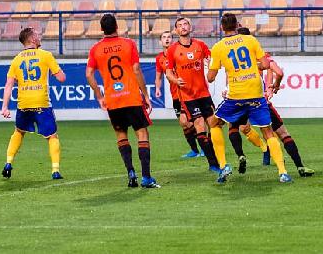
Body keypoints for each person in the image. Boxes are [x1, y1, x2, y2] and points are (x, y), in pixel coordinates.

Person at [205, 13, 293, 184]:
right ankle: (283, 172)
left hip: (236, 94)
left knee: (214, 123)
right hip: (255, 92)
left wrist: (212, 66)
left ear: (222, 28)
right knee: (268, 131)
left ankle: (223, 166)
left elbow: (210, 78)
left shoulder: (218, 47)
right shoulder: (250, 40)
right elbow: (266, 65)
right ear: (237, 25)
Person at [85, 13, 159, 188]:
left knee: (121, 135)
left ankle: (131, 172)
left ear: (101, 29)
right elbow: (136, 69)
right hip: (131, 97)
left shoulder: (95, 49)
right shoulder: (128, 44)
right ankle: (146, 177)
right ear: (117, 26)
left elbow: (88, 74)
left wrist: (100, 96)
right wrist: (145, 95)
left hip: (113, 99)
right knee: (142, 133)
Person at [228, 30, 314, 178]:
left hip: (239, 101)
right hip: (259, 101)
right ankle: (299, 166)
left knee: (233, 128)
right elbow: (279, 72)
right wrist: (275, 85)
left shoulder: (232, 57)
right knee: (280, 134)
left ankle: (241, 155)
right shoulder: (262, 56)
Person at [0, 27, 67, 180]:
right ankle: (55, 170)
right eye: (37, 34)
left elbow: (9, 85)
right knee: (52, 136)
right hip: (41, 102)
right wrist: (55, 72)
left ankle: (8, 163)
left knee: (19, 132)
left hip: (23, 103)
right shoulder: (45, 55)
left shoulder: (16, 59)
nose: (39, 36)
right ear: (32, 39)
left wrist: (4, 107)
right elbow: (62, 78)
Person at [164, 17, 222, 169]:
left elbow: (212, 58)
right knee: (199, 123)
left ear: (190, 27)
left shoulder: (200, 45)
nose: (183, 27)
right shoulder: (172, 50)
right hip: (188, 96)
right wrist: (176, 80)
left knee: (214, 124)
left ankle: (216, 155)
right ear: (176, 30)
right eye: (180, 25)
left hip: (204, 93)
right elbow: (168, 73)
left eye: (185, 24)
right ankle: (213, 164)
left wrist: (211, 64)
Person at [154, 30, 203, 160]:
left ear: (173, 39)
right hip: (175, 95)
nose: (167, 39)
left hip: (187, 93)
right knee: (184, 124)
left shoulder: (178, 52)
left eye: (169, 37)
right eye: (164, 37)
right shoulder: (159, 58)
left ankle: (204, 147)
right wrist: (157, 88)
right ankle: (195, 150)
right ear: (160, 41)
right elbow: (158, 76)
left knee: (192, 121)